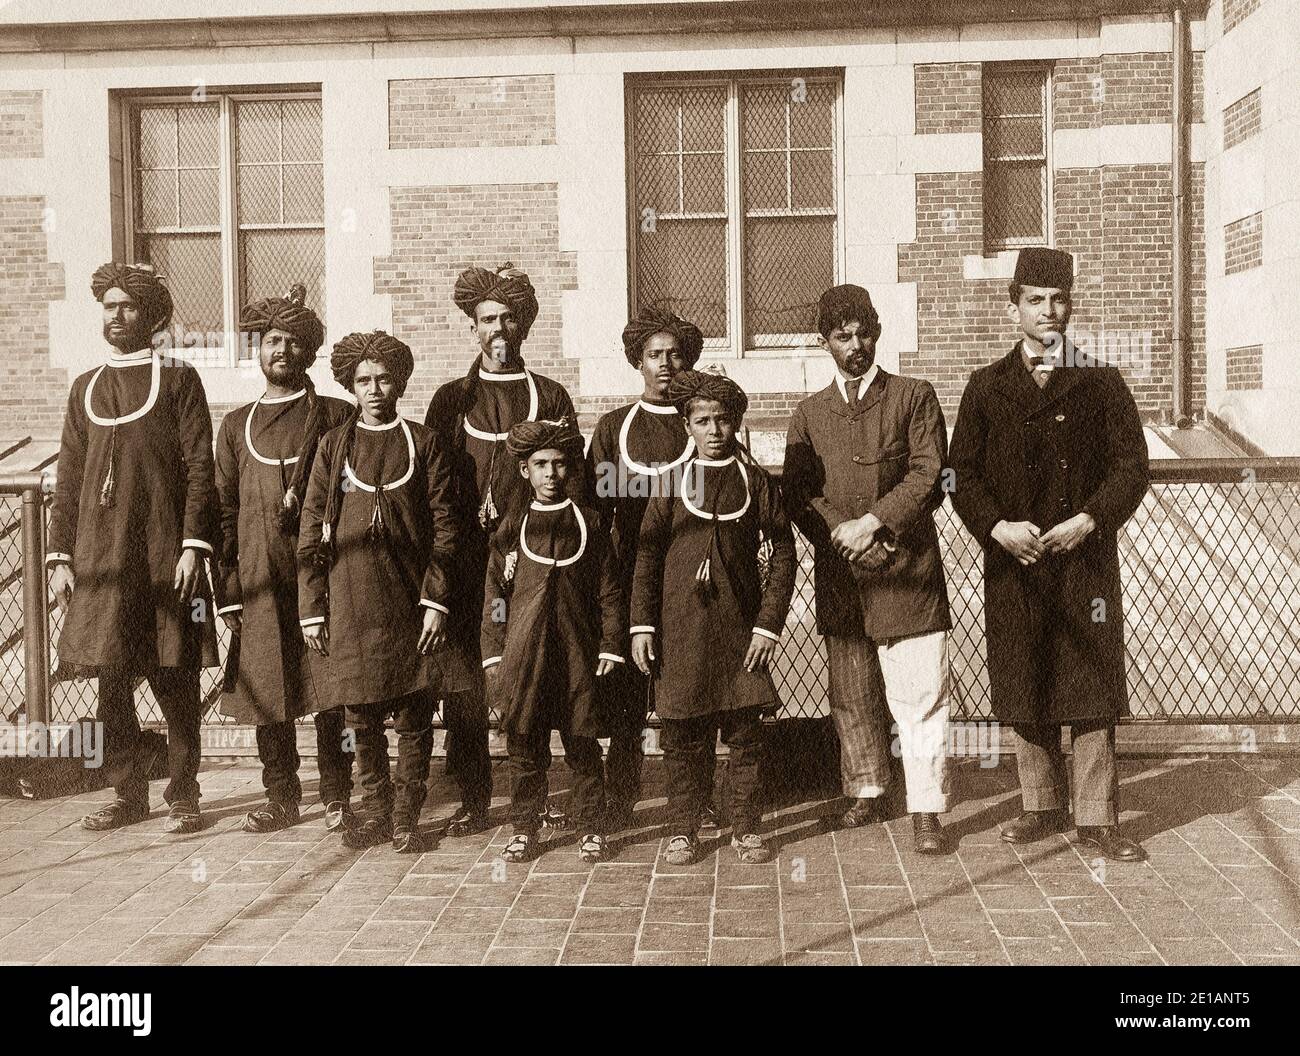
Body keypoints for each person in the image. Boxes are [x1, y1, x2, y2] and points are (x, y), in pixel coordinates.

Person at [948, 247, 1150, 863]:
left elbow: (1132, 466)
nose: (1049, 312)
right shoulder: (986, 388)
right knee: (1025, 675)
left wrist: (1091, 519)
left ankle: (1096, 817)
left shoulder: (1101, 381)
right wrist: (996, 527)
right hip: (1018, 562)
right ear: (1014, 308)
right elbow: (959, 474)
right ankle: (1039, 805)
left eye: (1058, 300)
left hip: (1084, 562)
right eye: (1035, 300)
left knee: (1088, 682)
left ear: (1071, 305)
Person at [783, 284, 954, 854]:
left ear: (877, 332)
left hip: (906, 569)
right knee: (852, 693)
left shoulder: (913, 396)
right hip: (843, 573)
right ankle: (868, 787)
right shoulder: (808, 414)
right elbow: (801, 492)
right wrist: (842, 534)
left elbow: (930, 475)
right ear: (823, 342)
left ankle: (926, 807)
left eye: (863, 333)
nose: (855, 345)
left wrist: (875, 524)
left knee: (919, 696)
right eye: (841, 336)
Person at [49, 262, 218, 835]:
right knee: (112, 679)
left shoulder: (178, 380)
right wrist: (60, 557)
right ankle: (127, 793)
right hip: (103, 561)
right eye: (109, 306)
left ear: (151, 315)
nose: (117, 316)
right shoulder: (85, 387)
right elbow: (70, 479)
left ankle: (184, 791)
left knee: (174, 675)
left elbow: (200, 466)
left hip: (164, 553)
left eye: (128, 307)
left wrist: (194, 544)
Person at [297, 330, 468, 853]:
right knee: (361, 715)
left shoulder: (424, 442)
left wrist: (436, 601)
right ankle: (374, 810)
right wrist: (311, 607)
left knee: (415, 715)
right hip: (349, 602)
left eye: (383, 379)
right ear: (350, 385)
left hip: (410, 602)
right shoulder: (333, 446)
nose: (374, 389)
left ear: (400, 383)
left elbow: (446, 529)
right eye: (363, 380)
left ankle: (406, 817)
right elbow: (309, 530)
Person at [425, 263, 579, 837]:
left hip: (534, 561)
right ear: (473, 327)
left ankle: (547, 792)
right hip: (467, 563)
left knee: (546, 669)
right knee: (467, 679)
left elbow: (574, 482)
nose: (499, 329)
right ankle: (473, 794)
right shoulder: (450, 401)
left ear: (523, 327)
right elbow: (433, 487)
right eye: (488, 319)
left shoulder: (551, 395)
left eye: (509, 318)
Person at [630, 370, 796, 866]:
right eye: (702, 421)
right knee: (683, 736)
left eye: (723, 420)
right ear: (688, 426)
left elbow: (784, 553)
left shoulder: (757, 483)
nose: (714, 430)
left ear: (736, 423)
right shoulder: (668, 484)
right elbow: (646, 558)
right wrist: (641, 626)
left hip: (740, 633)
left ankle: (746, 826)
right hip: (681, 633)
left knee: (745, 736)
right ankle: (683, 828)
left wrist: (768, 624)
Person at [214, 288, 355, 833]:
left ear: (309, 352)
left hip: (325, 573)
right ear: (258, 349)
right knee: (270, 690)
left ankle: (340, 793)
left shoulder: (337, 415)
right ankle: (281, 795)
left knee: (330, 687)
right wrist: (228, 590)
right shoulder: (235, 425)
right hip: (259, 578)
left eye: (294, 341)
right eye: (273, 340)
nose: (283, 350)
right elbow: (224, 514)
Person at [587, 307, 722, 832]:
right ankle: (620, 798)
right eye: (655, 355)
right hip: (627, 578)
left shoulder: (706, 425)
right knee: (624, 697)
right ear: (637, 362)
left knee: (693, 691)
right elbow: (597, 510)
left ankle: (698, 799)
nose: (666, 365)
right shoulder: (613, 428)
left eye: (675, 355)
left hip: (691, 580)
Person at [483, 418, 624, 863]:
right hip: (526, 657)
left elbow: (609, 591)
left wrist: (609, 643)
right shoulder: (511, 529)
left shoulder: (591, 524)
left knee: (582, 743)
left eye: (560, 464)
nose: (551, 474)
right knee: (524, 744)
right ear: (524, 470)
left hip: (577, 655)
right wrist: (496, 654)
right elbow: (496, 598)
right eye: (540, 464)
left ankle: (591, 827)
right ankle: (524, 826)